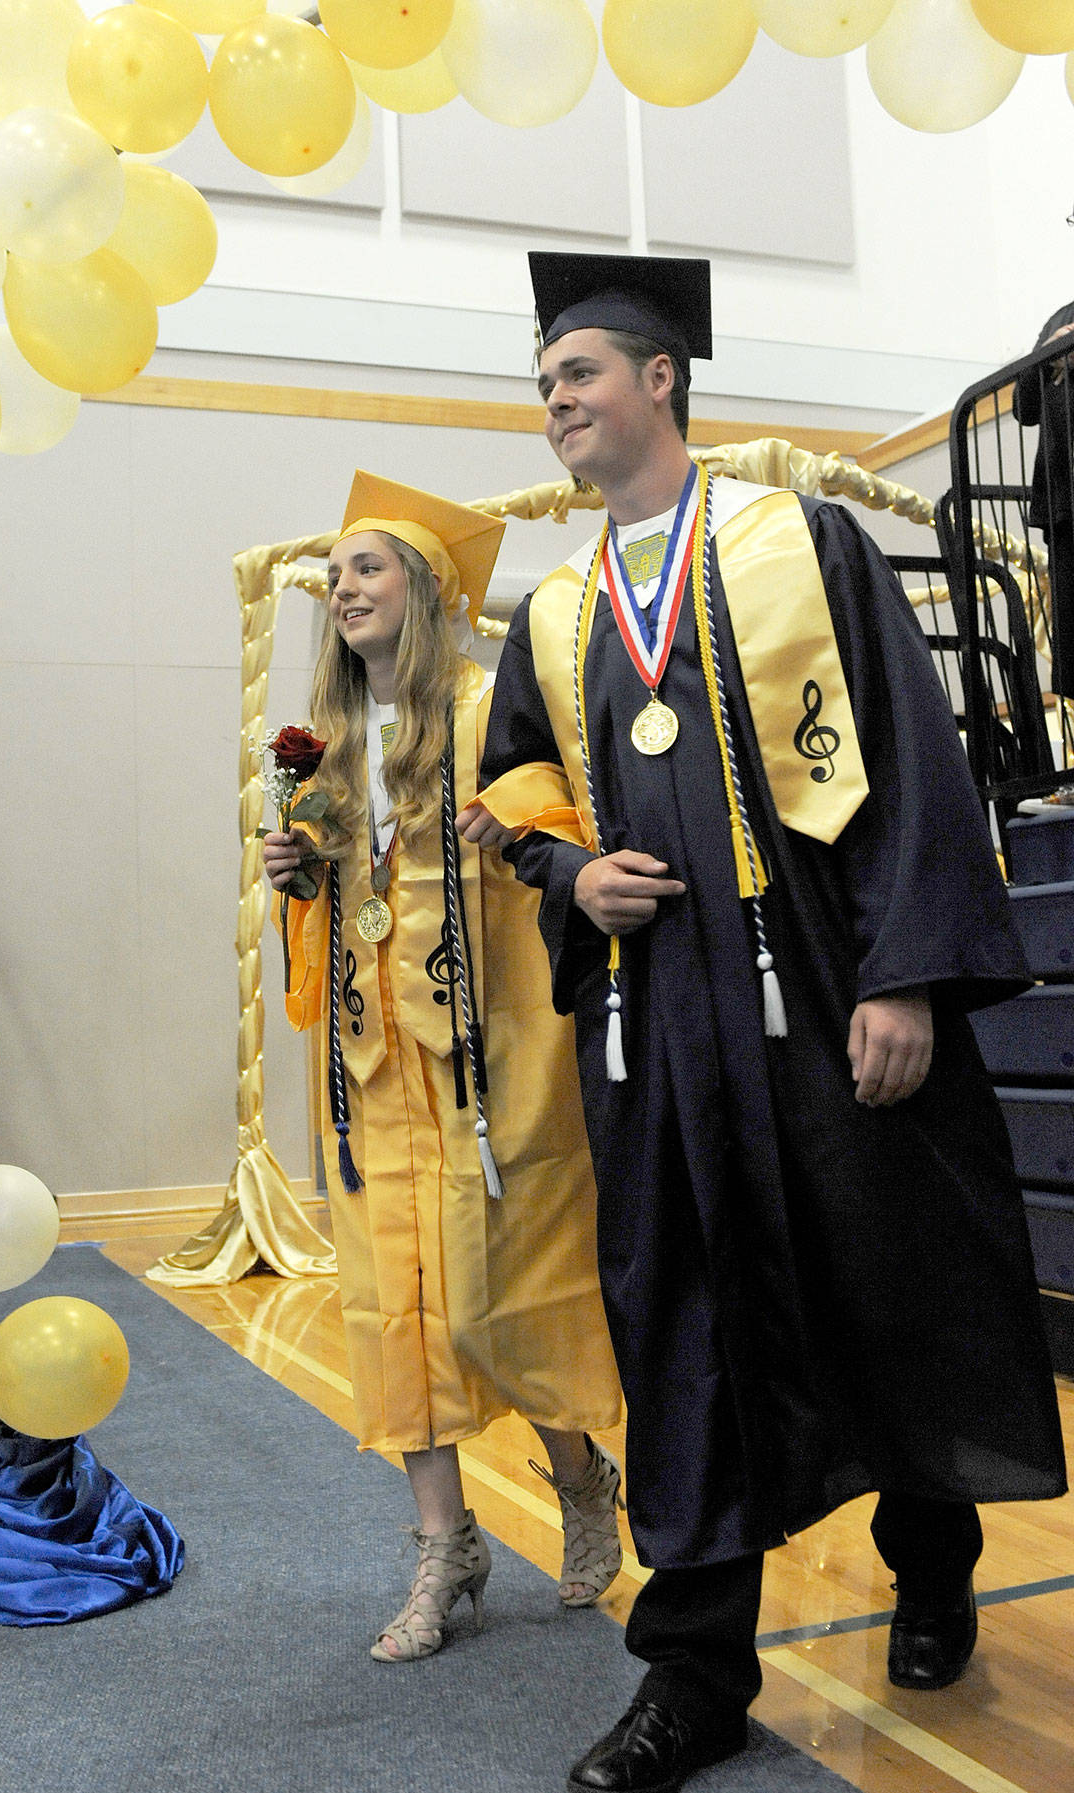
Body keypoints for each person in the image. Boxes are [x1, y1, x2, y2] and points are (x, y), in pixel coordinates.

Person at [458, 253, 1068, 1792]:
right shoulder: (553, 611)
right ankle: (697, 1670)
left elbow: (913, 757)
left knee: (892, 1274)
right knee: (686, 1315)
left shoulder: (800, 541)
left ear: (660, 379)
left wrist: (907, 972)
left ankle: (932, 1556)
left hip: (823, 979)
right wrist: (570, 869)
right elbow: (518, 789)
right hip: (660, 1020)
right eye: (542, 388)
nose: (557, 406)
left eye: (578, 376)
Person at [262, 470, 624, 1664]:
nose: (344, 585)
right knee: (394, 1316)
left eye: (369, 566)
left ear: (425, 591)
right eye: (338, 572)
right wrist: (299, 881)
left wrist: (508, 831)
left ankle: (578, 1470)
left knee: (491, 1297)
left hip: (488, 1061)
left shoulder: (486, 709)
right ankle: (444, 1541)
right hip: (373, 1074)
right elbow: (322, 931)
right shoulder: (319, 750)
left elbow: (558, 835)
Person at [1013, 296, 1074, 695]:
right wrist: (1049, 356)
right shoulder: (1061, 318)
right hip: (1065, 506)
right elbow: (1025, 408)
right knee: (1071, 637)